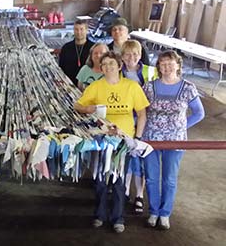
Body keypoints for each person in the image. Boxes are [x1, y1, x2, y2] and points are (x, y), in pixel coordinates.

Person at [74, 52, 149, 233]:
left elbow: (141, 114)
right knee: (100, 179)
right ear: (101, 67)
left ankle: (118, 218)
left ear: (119, 66)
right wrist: (88, 108)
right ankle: (99, 214)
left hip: (124, 141)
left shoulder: (132, 87)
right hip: (101, 139)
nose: (108, 67)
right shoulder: (96, 86)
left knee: (119, 181)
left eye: (112, 64)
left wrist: (137, 138)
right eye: (105, 64)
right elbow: (77, 105)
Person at [142, 51, 204, 230]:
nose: (166, 67)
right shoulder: (149, 87)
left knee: (169, 178)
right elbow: (140, 111)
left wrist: (180, 128)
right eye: (162, 64)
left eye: (170, 63)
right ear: (158, 67)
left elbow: (199, 113)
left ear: (178, 65)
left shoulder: (188, 87)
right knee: (152, 178)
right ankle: (153, 211)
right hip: (150, 139)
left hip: (176, 141)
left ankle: (165, 213)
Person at [120, 39, 158, 213]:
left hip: (144, 119)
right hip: (126, 119)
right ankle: (126, 190)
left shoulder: (150, 72)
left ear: (141, 55)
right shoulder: (118, 72)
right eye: (127, 54)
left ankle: (140, 195)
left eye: (135, 54)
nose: (131, 57)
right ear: (122, 56)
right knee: (127, 156)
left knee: (140, 156)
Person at [59, 20, 94, 85]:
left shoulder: (93, 48)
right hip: (69, 84)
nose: (79, 32)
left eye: (81, 29)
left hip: (88, 84)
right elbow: (61, 67)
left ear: (86, 30)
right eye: (76, 29)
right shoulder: (66, 48)